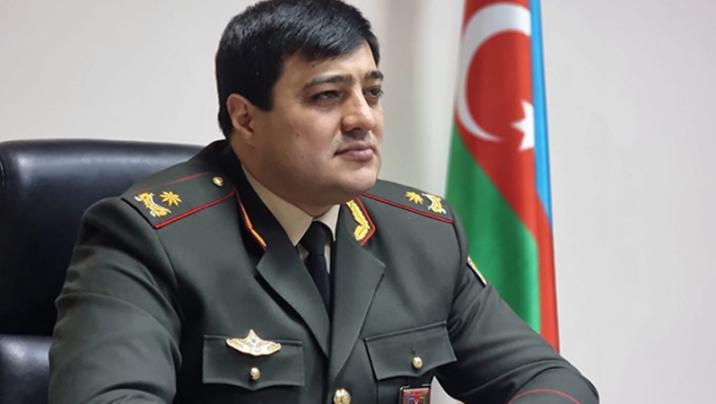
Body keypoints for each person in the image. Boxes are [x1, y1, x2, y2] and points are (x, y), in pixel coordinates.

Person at [49, 0, 598, 403]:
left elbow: (551, 380)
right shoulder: (148, 238)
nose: (363, 118)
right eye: (328, 96)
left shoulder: (425, 234)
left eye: (372, 92)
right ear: (245, 118)